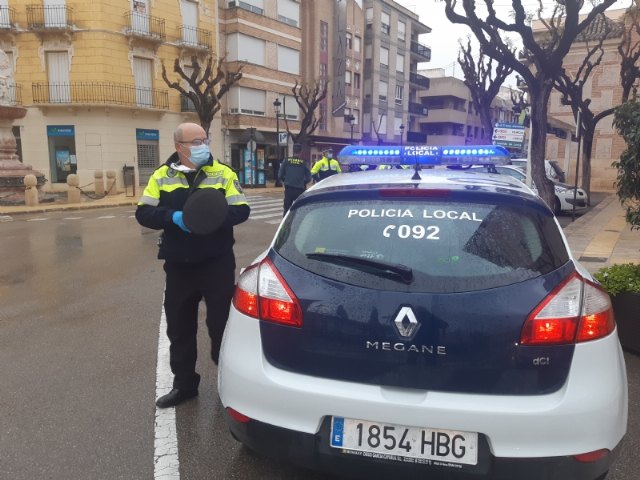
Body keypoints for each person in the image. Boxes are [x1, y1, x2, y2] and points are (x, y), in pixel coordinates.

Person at [135, 122, 250, 409]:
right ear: (179, 146)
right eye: (195, 141)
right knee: (179, 327)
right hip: (179, 265)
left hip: (216, 263)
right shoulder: (162, 176)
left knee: (221, 326)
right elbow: (144, 213)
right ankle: (184, 385)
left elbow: (241, 210)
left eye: (204, 140)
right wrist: (173, 217)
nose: (202, 145)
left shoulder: (223, 173)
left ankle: (227, 382)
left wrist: (205, 220)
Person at [278, 143, 311, 215]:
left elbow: (280, 175)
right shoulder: (304, 162)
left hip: (288, 189)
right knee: (300, 210)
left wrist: (286, 181)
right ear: (301, 151)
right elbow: (309, 178)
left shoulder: (286, 161)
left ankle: (287, 222)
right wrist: (302, 183)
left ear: (293, 151)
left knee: (287, 210)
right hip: (300, 190)